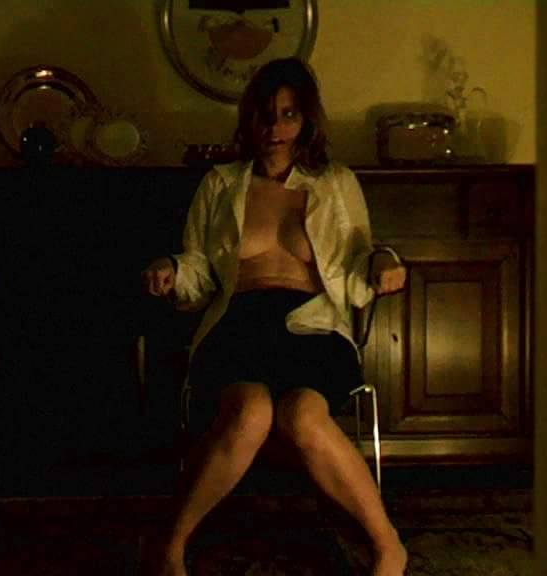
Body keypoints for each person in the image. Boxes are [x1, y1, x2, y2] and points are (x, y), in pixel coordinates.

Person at [141, 57, 408, 576]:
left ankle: (387, 546)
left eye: (288, 114)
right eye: (265, 115)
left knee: (303, 414)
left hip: (314, 325)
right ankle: (170, 545)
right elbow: (199, 268)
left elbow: (361, 255)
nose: (275, 127)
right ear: (249, 119)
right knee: (250, 411)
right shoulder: (221, 184)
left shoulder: (335, 182)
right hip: (237, 324)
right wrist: (171, 269)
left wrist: (384, 263)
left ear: (306, 120)